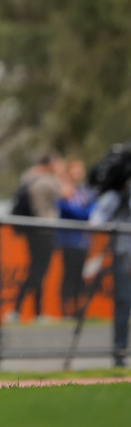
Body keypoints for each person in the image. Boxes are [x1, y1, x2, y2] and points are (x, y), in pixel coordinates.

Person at [89, 148, 131, 368]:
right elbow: (95, 219)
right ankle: (119, 352)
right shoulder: (116, 196)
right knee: (124, 304)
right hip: (124, 255)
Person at [9, 153, 63, 321]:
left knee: (37, 273)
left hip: (32, 232)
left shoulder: (28, 177)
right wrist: (59, 173)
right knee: (37, 273)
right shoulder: (45, 181)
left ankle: (35, 312)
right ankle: (17, 310)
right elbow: (64, 192)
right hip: (43, 231)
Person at [55, 158, 94, 318]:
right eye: (75, 170)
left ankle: (79, 311)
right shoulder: (63, 192)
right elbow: (72, 211)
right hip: (68, 241)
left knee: (80, 276)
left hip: (83, 241)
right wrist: (79, 209)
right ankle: (65, 311)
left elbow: (91, 211)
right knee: (68, 275)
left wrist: (81, 209)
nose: (78, 174)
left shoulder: (83, 192)